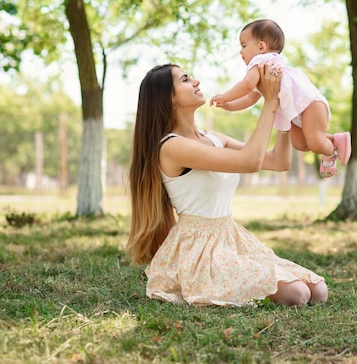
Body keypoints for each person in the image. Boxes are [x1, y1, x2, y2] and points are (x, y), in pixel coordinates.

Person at [126, 62, 328, 307]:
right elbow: (250, 161)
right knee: (298, 295)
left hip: (230, 237)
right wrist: (270, 101)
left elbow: (278, 161)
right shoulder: (172, 146)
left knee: (318, 290)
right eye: (185, 80)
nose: (196, 82)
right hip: (199, 250)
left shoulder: (213, 138)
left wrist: (285, 112)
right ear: (169, 99)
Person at [210, 19, 351, 178]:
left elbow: (246, 85)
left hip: (310, 104)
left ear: (261, 47)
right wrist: (229, 106)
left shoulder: (261, 61)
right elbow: (250, 98)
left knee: (315, 143)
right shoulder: (265, 70)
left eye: (243, 46)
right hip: (296, 111)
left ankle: (331, 152)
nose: (240, 52)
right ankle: (335, 139)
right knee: (300, 144)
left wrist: (225, 96)